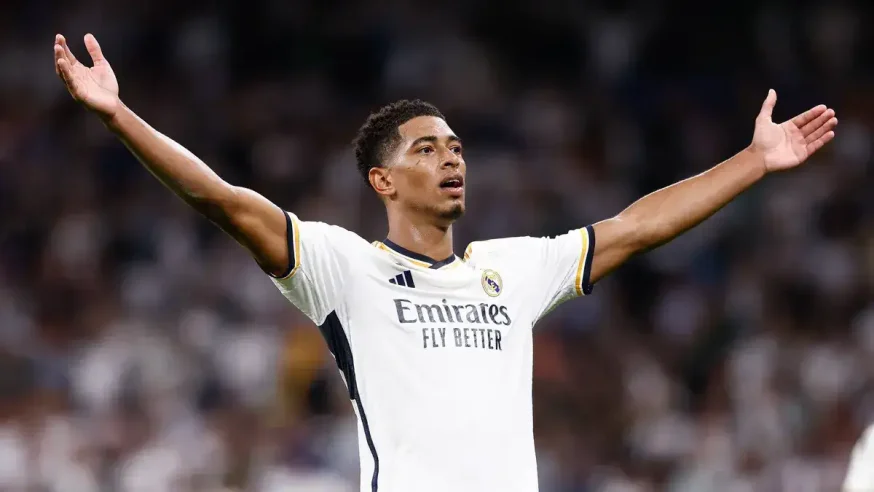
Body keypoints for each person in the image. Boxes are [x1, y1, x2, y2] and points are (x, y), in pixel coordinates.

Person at [53, 33, 837, 492]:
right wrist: (120, 116)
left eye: (456, 147)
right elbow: (225, 202)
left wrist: (753, 161)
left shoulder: (510, 270)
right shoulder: (342, 269)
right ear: (383, 181)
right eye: (426, 149)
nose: (452, 158)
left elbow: (634, 229)